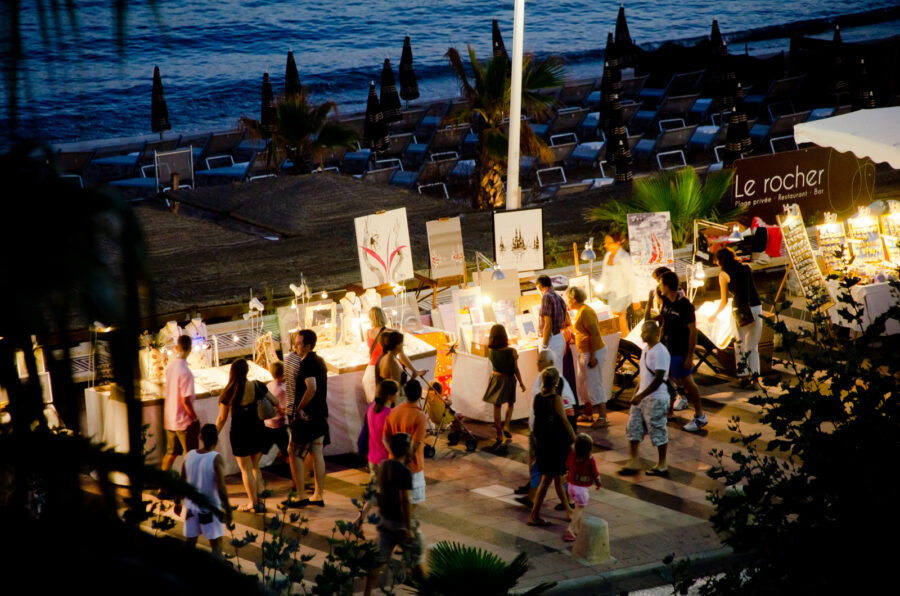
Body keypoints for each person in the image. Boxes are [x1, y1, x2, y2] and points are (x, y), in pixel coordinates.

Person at [364, 432, 424, 596]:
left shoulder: (385, 465)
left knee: (378, 561)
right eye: (411, 446)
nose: (413, 449)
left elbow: (377, 493)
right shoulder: (404, 471)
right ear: (406, 449)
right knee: (416, 561)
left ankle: (367, 593)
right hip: (400, 524)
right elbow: (404, 501)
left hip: (385, 522)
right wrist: (409, 528)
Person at [517, 350, 576, 509]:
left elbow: (567, 416)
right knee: (543, 470)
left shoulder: (558, 390)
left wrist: (571, 439)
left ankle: (564, 502)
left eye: (541, 361)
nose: (538, 364)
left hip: (552, 439)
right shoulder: (541, 382)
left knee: (555, 474)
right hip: (542, 436)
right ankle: (533, 498)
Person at [215, 358, 270, 512]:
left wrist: (213, 436)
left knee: (245, 469)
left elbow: (221, 418)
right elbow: (274, 401)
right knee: (255, 467)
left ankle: (253, 502)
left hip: (240, 432)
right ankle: (260, 500)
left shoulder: (229, 391)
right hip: (258, 428)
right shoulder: (257, 385)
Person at [619, 321, 671, 477]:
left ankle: (662, 464)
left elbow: (659, 378)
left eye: (646, 332)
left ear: (656, 334)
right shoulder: (646, 350)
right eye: (642, 332)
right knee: (633, 427)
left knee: (658, 429)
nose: (642, 335)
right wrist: (637, 393)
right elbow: (644, 375)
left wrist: (641, 395)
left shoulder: (660, 352)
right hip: (642, 397)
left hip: (656, 398)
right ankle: (634, 460)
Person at [658, 271, 707, 432]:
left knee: (688, 382)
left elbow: (693, 331)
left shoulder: (685, 306)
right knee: (667, 378)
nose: (659, 287)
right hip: (667, 349)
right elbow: (664, 322)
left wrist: (689, 355)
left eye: (661, 284)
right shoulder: (666, 302)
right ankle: (668, 408)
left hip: (680, 350)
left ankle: (700, 415)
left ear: (667, 286)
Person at [528, 367, 577, 527]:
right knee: (548, 479)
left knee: (556, 477)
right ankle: (534, 515)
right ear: (556, 382)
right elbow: (564, 421)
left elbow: (537, 422)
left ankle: (568, 511)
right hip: (554, 444)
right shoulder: (555, 399)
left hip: (543, 443)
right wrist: (575, 439)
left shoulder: (538, 398)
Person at [287, 329, 330, 507]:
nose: (295, 347)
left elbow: (311, 387)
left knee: (293, 452)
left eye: (298, 344)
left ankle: (301, 494)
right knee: (317, 451)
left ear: (307, 346)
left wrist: (299, 407)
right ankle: (318, 495)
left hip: (307, 417)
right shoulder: (319, 361)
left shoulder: (306, 364)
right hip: (320, 414)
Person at [174, 423, 231, 555]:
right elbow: (221, 487)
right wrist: (227, 509)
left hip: (191, 509)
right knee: (216, 546)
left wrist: (177, 502)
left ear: (200, 437)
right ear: (216, 439)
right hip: (210, 509)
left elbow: (181, 481)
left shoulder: (189, 455)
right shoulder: (216, 458)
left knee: (190, 543)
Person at [713, 247, 762, 387]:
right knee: (753, 345)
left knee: (739, 343)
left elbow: (723, 301)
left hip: (739, 309)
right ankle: (756, 380)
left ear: (720, 261)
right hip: (756, 306)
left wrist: (714, 315)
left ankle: (743, 377)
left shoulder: (723, 274)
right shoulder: (746, 267)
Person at [565, 286, 609, 429]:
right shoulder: (581, 311)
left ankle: (603, 416)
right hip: (585, 352)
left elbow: (595, 334)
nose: (568, 302)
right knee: (583, 384)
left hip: (592, 352)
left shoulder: (586, 312)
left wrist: (593, 356)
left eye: (568, 299)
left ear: (573, 299)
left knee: (594, 384)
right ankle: (588, 412)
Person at [363, 307, 426, 402]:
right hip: (385, 371)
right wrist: (414, 370)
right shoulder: (392, 333)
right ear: (383, 316)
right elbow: (402, 355)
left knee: (376, 407)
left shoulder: (368, 332)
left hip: (370, 372)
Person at [383, 379, 428, 507]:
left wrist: (394, 454)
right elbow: (415, 445)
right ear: (420, 395)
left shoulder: (393, 412)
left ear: (405, 393)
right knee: (410, 508)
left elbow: (385, 438)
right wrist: (405, 460)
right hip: (413, 467)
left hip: (394, 465)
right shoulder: (420, 416)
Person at [482, 324, 526, 450]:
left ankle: (498, 435)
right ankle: (507, 425)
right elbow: (516, 369)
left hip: (496, 378)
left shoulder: (490, 351)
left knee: (497, 406)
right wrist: (521, 383)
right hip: (509, 379)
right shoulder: (512, 351)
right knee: (510, 403)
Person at [161, 334, 199, 476]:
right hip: (184, 421)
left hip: (170, 418)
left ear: (177, 347)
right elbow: (186, 400)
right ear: (190, 348)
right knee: (191, 455)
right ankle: (186, 485)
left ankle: (163, 485)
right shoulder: (186, 372)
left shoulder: (170, 367)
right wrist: (195, 418)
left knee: (171, 453)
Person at [597, 231, 639, 335]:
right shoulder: (608, 256)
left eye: (609, 243)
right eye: (605, 243)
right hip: (610, 296)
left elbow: (631, 279)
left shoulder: (623, 258)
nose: (605, 245)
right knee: (615, 328)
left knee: (621, 327)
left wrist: (635, 300)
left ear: (617, 243)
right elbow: (604, 275)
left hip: (622, 296)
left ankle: (629, 349)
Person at [563, 433, 602, 542]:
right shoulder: (589, 460)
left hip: (571, 486)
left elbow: (566, 465)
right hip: (581, 489)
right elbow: (595, 474)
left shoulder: (572, 456)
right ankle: (570, 528)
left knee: (577, 507)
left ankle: (579, 530)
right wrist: (598, 484)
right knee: (579, 509)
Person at [536, 275, 570, 371]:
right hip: (559, 337)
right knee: (558, 371)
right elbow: (565, 319)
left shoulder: (546, 297)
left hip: (550, 340)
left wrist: (544, 346)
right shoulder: (558, 296)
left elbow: (548, 325)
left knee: (549, 373)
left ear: (539, 287)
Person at [367, 379, 399, 475]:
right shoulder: (389, 414)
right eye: (396, 393)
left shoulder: (371, 408)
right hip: (386, 459)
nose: (397, 395)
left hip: (372, 458)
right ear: (389, 395)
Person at [264, 360, 289, 458]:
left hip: (268, 422)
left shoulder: (269, 385)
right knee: (288, 452)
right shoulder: (282, 390)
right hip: (278, 425)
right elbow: (283, 409)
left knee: (263, 449)